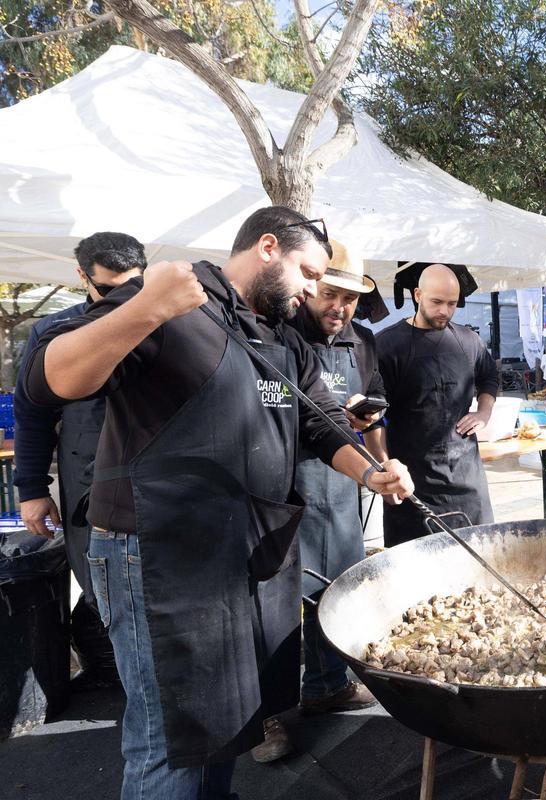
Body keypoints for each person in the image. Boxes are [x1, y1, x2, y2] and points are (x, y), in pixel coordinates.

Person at [20, 206, 415, 799]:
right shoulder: (176, 302)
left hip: (245, 554)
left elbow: (323, 422)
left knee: (230, 722)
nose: (314, 290)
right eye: (308, 272)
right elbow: (48, 377)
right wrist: (148, 305)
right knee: (172, 741)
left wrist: (372, 471)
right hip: (157, 556)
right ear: (266, 247)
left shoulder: (283, 338)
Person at [261, 240, 387, 761]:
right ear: (310, 288)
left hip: (340, 489)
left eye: (351, 300)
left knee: (336, 592)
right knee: (275, 609)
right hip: (284, 490)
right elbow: (266, 414)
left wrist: (379, 458)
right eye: (332, 294)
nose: (340, 308)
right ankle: (264, 718)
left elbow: (375, 415)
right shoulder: (277, 338)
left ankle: (326, 687)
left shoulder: (361, 343)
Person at [15, 231, 144, 692]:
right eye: (107, 290)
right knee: (102, 591)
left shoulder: (165, 322)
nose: (120, 299)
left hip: (154, 483)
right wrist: (31, 490)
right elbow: (32, 412)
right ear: (82, 278)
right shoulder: (56, 332)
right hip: (86, 483)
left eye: (132, 286)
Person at [376, 264, 500, 545]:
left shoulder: (469, 341)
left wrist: (484, 411)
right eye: (436, 302)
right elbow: (373, 419)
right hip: (413, 484)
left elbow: (489, 377)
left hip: (468, 480)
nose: (444, 310)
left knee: (478, 560)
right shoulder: (387, 346)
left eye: (452, 304)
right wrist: (383, 468)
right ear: (418, 295)